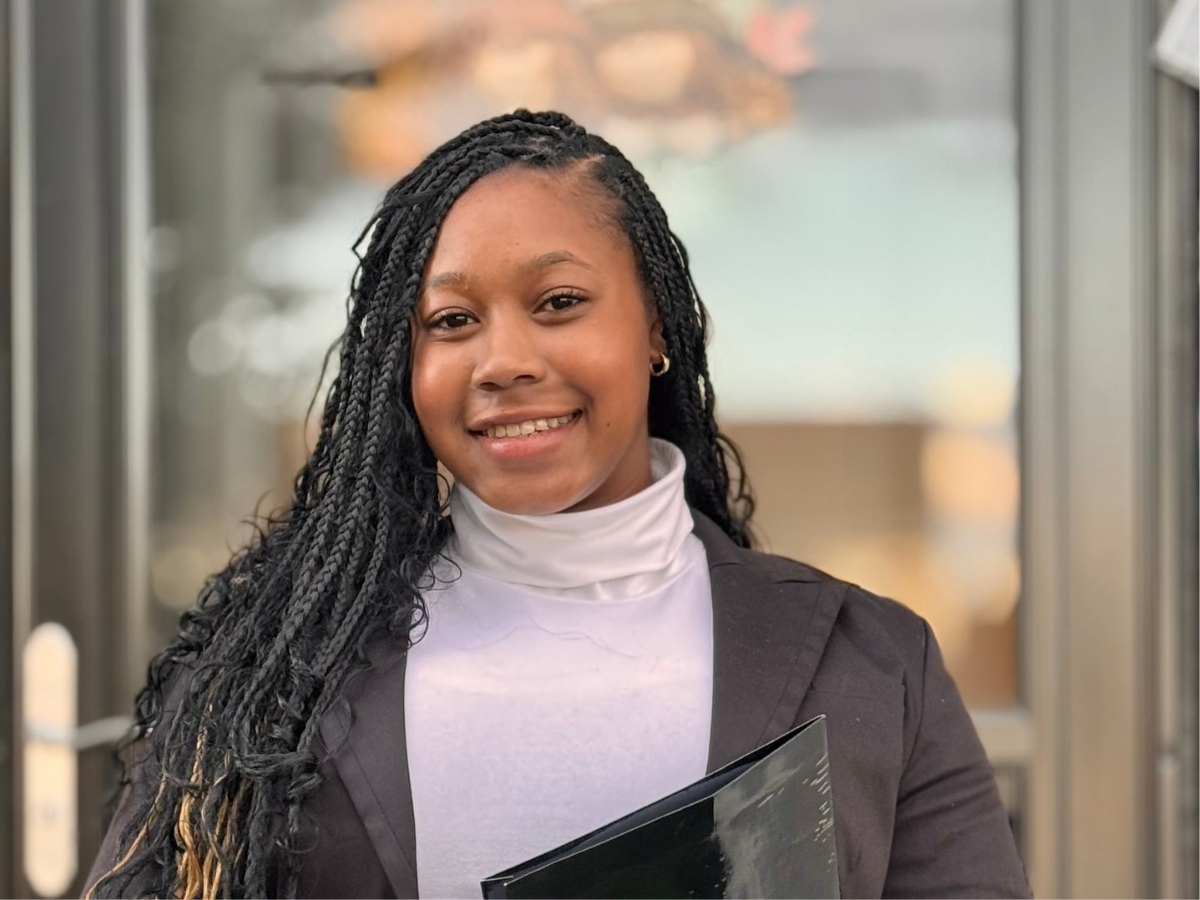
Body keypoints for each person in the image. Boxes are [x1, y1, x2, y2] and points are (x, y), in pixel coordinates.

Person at [85, 109, 1030, 899]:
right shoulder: (272, 673)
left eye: (560, 302)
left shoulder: (870, 663)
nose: (505, 362)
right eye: (452, 322)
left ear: (657, 324)